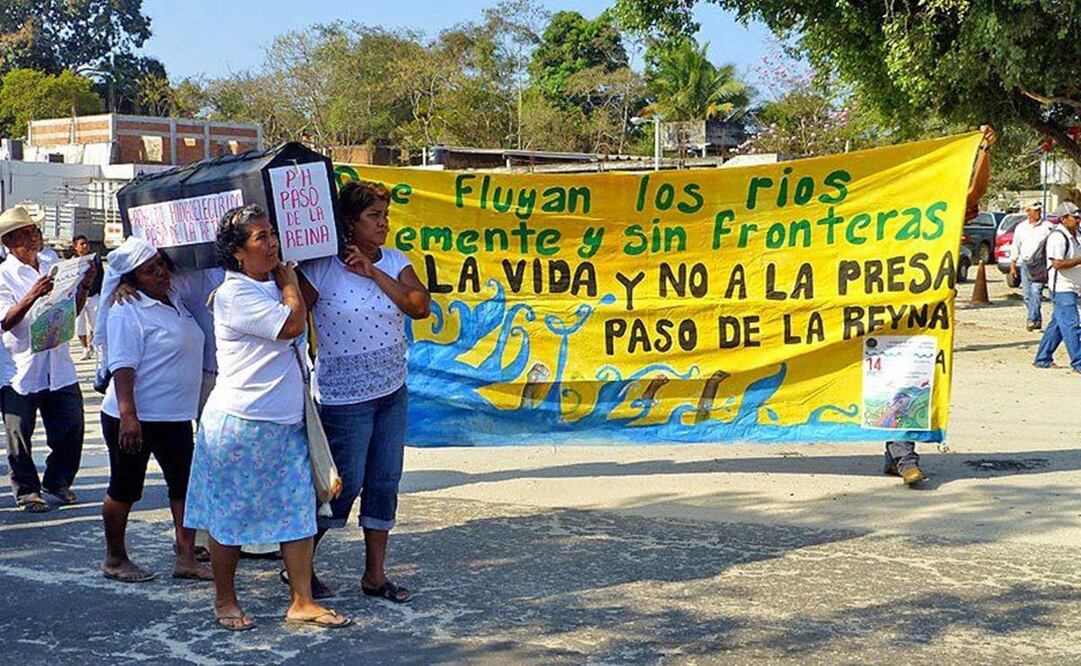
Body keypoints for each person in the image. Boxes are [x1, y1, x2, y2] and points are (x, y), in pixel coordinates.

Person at [183, 204, 350, 631]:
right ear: (237, 252)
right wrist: (290, 280)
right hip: (241, 424)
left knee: (297, 515)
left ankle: (302, 601)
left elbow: (307, 305)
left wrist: (289, 278)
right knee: (230, 518)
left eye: (272, 233)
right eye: (260, 237)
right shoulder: (235, 294)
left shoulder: (271, 284)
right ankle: (225, 599)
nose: (272, 242)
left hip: (286, 422)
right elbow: (294, 325)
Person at [297, 181, 431, 602]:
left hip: (392, 390)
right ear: (350, 223)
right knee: (344, 483)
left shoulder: (394, 261)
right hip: (343, 396)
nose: (384, 224)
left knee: (385, 479)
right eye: (374, 216)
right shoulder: (321, 267)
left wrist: (373, 272)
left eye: (386, 216)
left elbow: (418, 304)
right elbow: (292, 314)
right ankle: (299, 565)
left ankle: (375, 575)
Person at [885, 125, 997, 486]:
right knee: (886, 379)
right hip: (875, 309)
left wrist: (982, 151)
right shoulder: (874, 211)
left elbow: (974, 191)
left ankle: (902, 456)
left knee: (907, 376)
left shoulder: (937, 207)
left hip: (923, 310)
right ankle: (898, 454)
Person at [97, 237, 211, 583]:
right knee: (125, 488)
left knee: (183, 486)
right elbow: (123, 367)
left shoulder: (174, 298)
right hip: (134, 417)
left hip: (174, 415)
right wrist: (129, 417)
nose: (161, 272)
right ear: (129, 281)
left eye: (161, 263)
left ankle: (187, 558)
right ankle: (115, 558)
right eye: (150, 270)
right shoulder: (126, 310)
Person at [0, 206, 95, 512]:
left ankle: (57, 480)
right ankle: (27, 490)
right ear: (8, 243)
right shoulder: (3, 276)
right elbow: (5, 321)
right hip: (20, 367)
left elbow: (71, 310)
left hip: (58, 363)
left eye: (35, 232)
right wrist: (32, 295)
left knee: (71, 426)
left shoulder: (52, 262)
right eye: (24, 234)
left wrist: (83, 286)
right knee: (19, 433)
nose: (33, 238)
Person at [1033, 202, 1081, 371]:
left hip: (1075, 286)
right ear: (1063, 219)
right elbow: (1058, 263)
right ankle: (1078, 362)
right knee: (1072, 324)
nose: (1078, 220)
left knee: (1058, 325)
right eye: (1074, 217)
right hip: (1061, 287)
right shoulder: (1057, 237)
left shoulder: (1077, 234)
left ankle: (1042, 358)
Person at [1009, 203, 1051, 331]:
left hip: (1040, 264)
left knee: (1036, 291)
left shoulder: (1047, 227)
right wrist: (1013, 265)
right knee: (1027, 295)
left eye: (1039, 210)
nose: (1038, 213)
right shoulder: (1021, 228)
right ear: (1028, 212)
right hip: (1025, 263)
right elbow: (1015, 246)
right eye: (1035, 211)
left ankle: (1032, 319)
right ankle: (1036, 318)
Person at [73, 234, 103, 359]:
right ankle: (85, 348)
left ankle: (95, 345)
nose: (85, 246)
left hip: (93, 296)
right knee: (79, 325)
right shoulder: (72, 262)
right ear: (75, 247)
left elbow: (101, 276)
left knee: (95, 323)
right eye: (82, 244)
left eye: (86, 243)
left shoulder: (95, 259)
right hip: (78, 297)